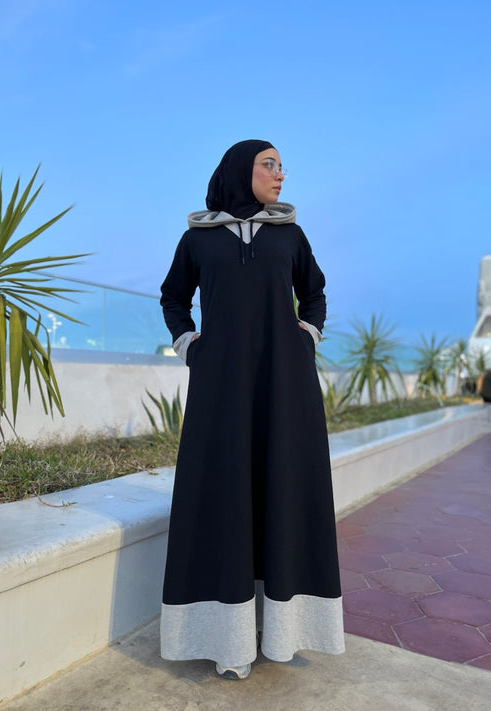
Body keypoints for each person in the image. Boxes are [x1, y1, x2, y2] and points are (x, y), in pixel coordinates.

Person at [159, 139, 345, 680]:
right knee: (222, 490)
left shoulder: (290, 235)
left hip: (286, 384)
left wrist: (306, 337)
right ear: (242, 171)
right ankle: (228, 639)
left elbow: (315, 292)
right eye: (270, 165)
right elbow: (173, 297)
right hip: (219, 386)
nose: (280, 175)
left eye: (282, 166)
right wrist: (189, 345)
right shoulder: (198, 238)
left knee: (284, 486)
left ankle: (285, 631)